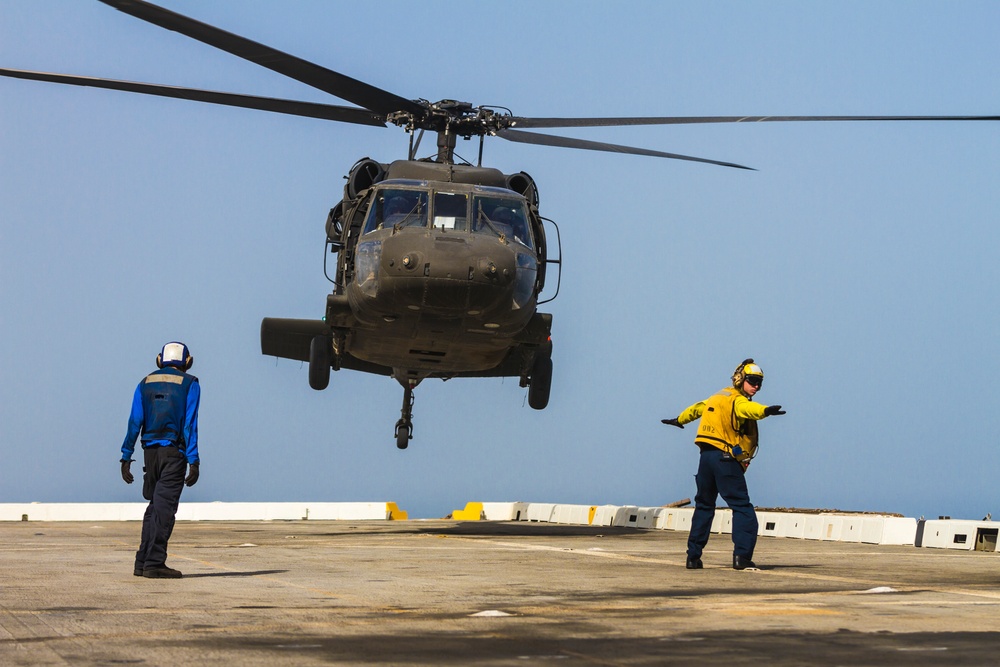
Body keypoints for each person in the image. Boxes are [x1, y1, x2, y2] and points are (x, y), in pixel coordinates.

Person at [661, 359, 786, 571]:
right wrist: (765, 411)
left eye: (759, 383)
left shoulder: (716, 397)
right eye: (753, 381)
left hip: (705, 459)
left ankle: (693, 557)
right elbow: (750, 409)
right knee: (742, 507)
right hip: (725, 460)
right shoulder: (737, 401)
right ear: (740, 379)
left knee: (704, 506)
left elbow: (696, 409)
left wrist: (679, 420)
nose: (756, 386)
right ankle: (742, 557)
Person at [120, 342, 201, 579]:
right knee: (164, 510)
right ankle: (154, 563)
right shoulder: (190, 384)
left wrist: (126, 455)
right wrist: (194, 460)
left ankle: (142, 561)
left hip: (150, 454)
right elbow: (189, 425)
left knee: (154, 507)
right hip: (174, 455)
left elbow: (135, 421)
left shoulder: (144, 383)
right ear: (188, 362)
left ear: (159, 360)